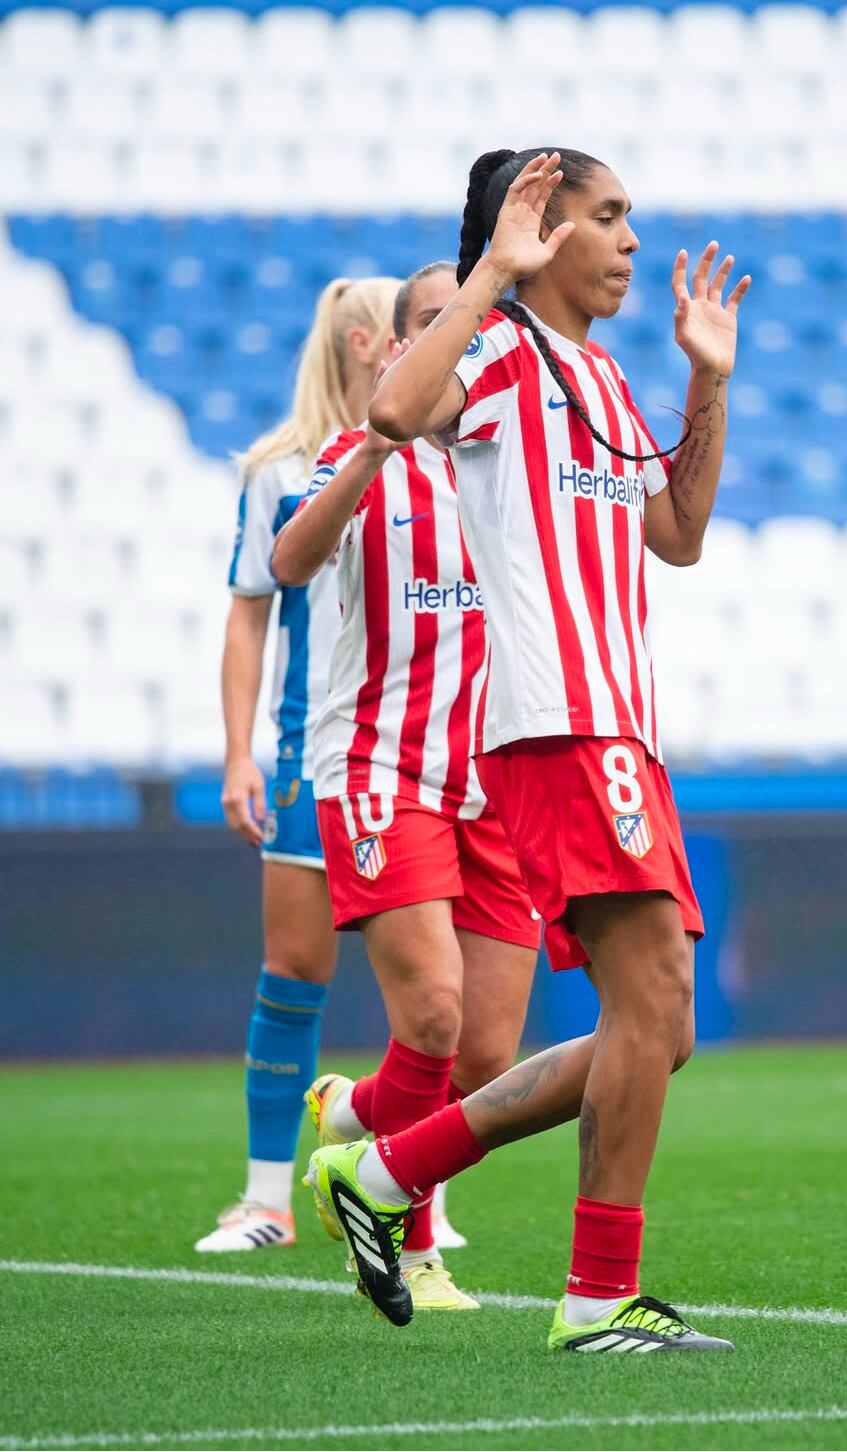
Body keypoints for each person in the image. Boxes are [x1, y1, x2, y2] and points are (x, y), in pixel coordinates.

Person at [304, 149, 750, 1352]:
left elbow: (679, 535)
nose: (632, 242)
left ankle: (386, 1173)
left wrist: (707, 381)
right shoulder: (498, 350)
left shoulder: (602, 375)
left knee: (661, 1028)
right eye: (607, 217)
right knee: (653, 1004)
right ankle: (598, 1299)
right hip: (558, 724)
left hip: (622, 728)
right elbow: (394, 413)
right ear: (543, 231)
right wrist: (489, 274)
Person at [271, 261, 541, 1311]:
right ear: (394, 349)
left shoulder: (514, 461)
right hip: (382, 768)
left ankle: (349, 1112)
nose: (459, 337)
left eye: (474, 323)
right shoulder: (358, 455)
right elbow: (291, 561)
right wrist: (380, 443)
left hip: (495, 781)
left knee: (485, 1057)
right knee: (431, 1014)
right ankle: (411, 1249)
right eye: (436, 322)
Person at [195, 276, 402, 1252]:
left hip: (415, 753)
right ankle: (267, 1202)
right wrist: (239, 753)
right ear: (364, 342)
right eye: (407, 326)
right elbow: (248, 618)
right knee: (294, 969)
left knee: (430, 986)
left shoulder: (440, 453)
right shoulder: (280, 470)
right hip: (311, 753)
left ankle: (412, 1197)